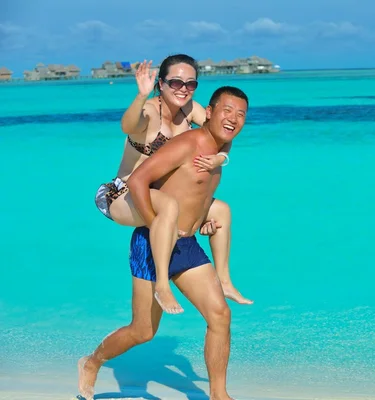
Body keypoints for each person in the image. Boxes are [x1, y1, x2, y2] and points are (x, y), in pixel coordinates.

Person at [78, 86, 249, 400]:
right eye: (226, 110)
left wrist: (201, 218)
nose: (233, 119)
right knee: (143, 331)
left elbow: (196, 194)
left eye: (240, 114)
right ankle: (92, 362)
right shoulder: (188, 142)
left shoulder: (223, 148)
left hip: (187, 244)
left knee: (220, 315)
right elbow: (140, 179)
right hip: (153, 242)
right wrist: (156, 223)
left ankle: (219, 394)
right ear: (208, 112)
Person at [94, 54, 252, 314]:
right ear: (161, 84)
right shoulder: (149, 111)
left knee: (221, 210)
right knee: (167, 208)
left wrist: (221, 158)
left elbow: (225, 129)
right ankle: (162, 285)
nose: (183, 89)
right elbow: (127, 126)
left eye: (191, 84)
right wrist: (140, 96)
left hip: (159, 194)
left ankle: (224, 280)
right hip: (124, 193)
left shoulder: (191, 110)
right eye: (176, 82)